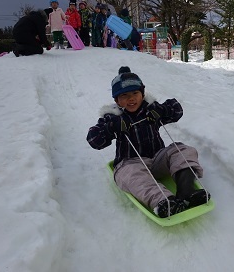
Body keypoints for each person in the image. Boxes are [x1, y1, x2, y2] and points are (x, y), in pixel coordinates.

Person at [87, 67, 210, 218]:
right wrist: (110, 128)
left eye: (135, 93)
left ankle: (187, 191)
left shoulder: (151, 109)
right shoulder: (113, 117)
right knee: (127, 174)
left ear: (142, 93)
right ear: (116, 100)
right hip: (132, 163)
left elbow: (177, 110)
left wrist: (162, 111)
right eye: (124, 95)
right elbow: (94, 140)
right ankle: (164, 201)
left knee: (183, 150)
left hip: (157, 159)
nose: (131, 99)